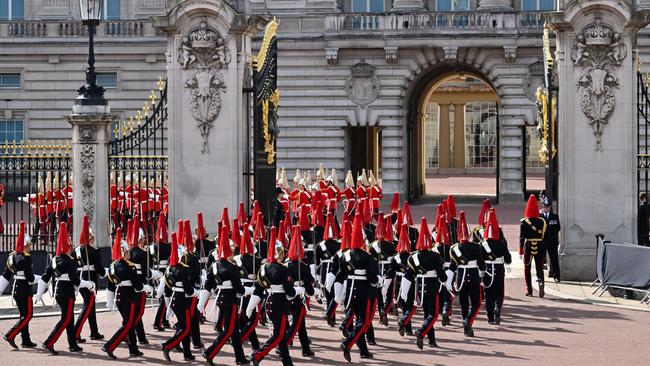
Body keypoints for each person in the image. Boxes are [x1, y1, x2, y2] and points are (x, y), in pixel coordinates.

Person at [35, 222, 94, 354]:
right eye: (70, 245)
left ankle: (72, 344)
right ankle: (49, 342)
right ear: (67, 246)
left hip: (58, 291)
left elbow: (45, 277)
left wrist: (39, 293)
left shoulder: (55, 259)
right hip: (67, 293)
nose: (71, 247)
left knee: (69, 317)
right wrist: (89, 284)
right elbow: (76, 281)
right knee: (66, 319)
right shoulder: (70, 260)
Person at [246, 227, 301, 366]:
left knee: (281, 337)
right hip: (279, 304)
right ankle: (258, 355)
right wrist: (298, 291)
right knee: (278, 336)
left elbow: (258, 289)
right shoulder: (283, 269)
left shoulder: (263, 268)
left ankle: (287, 362)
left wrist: (250, 307)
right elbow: (290, 293)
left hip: (268, 303)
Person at [198, 225, 252, 366]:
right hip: (230, 299)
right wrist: (251, 291)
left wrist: (201, 303)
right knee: (228, 330)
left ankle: (240, 357)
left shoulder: (214, 266)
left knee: (233, 330)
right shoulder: (231, 267)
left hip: (220, 298)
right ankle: (210, 352)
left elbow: (208, 286)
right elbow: (239, 289)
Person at [334, 212, 379, 362]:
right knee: (363, 321)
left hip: (349, 290)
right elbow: (372, 279)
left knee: (354, 319)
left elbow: (340, 275)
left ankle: (364, 351)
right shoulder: (368, 257)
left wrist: (337, 294)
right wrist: (378, 281)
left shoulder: (344, 255)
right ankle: (347, 343)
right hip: (363, 291)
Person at [101, 228, 152, 359]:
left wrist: (110, 301)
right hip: (130, 297)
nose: (129, 253)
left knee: (128, 323)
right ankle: (110, 346)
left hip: (119, 297)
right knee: (128, 324)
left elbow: (110, 285)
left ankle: (133, 349)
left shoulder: (113, 266)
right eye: (127, 251)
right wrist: (147, 288)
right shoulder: (131, 266)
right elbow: (138, 286)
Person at [400, 217, 447, 349]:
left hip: (419, 287)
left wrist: (404, 292)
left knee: (427, 314)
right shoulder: (435, 256)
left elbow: (408, 275)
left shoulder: (413, 257)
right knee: (433, 314)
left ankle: (431, 340)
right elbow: (442, 276)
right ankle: (421, 332)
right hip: (432, 287)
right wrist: (444, 280)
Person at [445, 211, 485, 337]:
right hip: (473, 276)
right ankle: (468, 322)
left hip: (460, 277)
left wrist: (448, 281)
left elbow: (452, 266)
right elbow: (482, 265)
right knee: (476, 304)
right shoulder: (476, 247)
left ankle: (466, 328)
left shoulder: (454, 248)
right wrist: (483, 274)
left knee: (463, 304)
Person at [161, 232, 200, 362]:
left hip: (175, 299)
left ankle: (187, 353)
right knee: (186, 327)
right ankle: (168, 345)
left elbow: (167, 288)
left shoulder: (170, 269)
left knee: (184, 327)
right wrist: (199, 293)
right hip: (184, 301)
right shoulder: (183, 269)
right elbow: (188, 290)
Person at [1, 221, 38, 349]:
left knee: (23, 315)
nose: (30, 247)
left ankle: (26, 340)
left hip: (16, 287)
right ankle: (11, 334)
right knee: (28, 315)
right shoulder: (26, 258)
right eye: (28, 245)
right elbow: (30, 278)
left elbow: (7, 274)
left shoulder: (12, 257)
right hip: (25, 289)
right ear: (25, 246)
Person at [72, 215, 107, 343]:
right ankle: (75, 332)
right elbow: (99, 268)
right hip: (91, 280)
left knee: (91, 307)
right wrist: (105, 272)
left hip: (80, 279)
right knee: (87, 306)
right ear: (90, 238)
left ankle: (94, 332)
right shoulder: (93, 251)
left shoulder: (76, 250)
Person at [285, 225, 316, 357]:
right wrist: (310, 291)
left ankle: (306, 349)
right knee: (296, 324)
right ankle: (283, 344)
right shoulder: (303, 266)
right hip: (297, 298)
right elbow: (309, 282)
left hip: (286, 297)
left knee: (301, 325)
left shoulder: (285, 265)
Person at [480, 209, 511, 325]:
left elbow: (480, 259)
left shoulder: (483, 244)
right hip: (498, 269)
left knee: (488, 294)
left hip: (487, 270)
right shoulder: (501, 243)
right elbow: (508, 259)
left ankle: (490, 318)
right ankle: (497, 308)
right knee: (498, 292)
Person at [519, 194, 547, 298]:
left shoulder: (524, 222)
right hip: (539, 246)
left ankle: (529, 290)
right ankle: (541, 282)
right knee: (539, 268)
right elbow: (545, 236)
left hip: (528, 246)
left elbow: (522, 237)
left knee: (527, 269)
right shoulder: (542, 221)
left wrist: (520, 250)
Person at [540, 197, 561, 282]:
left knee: (554, 259)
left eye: (547, 207)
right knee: (540, 260)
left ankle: (556, 276)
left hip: (552, 242)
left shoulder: (555, 217)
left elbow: (557, 228)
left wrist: (551, 235)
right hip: (542, 241)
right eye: (544, 207)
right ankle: (540, 277)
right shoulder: (539, 217)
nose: (545, 208)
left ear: (549, 208)